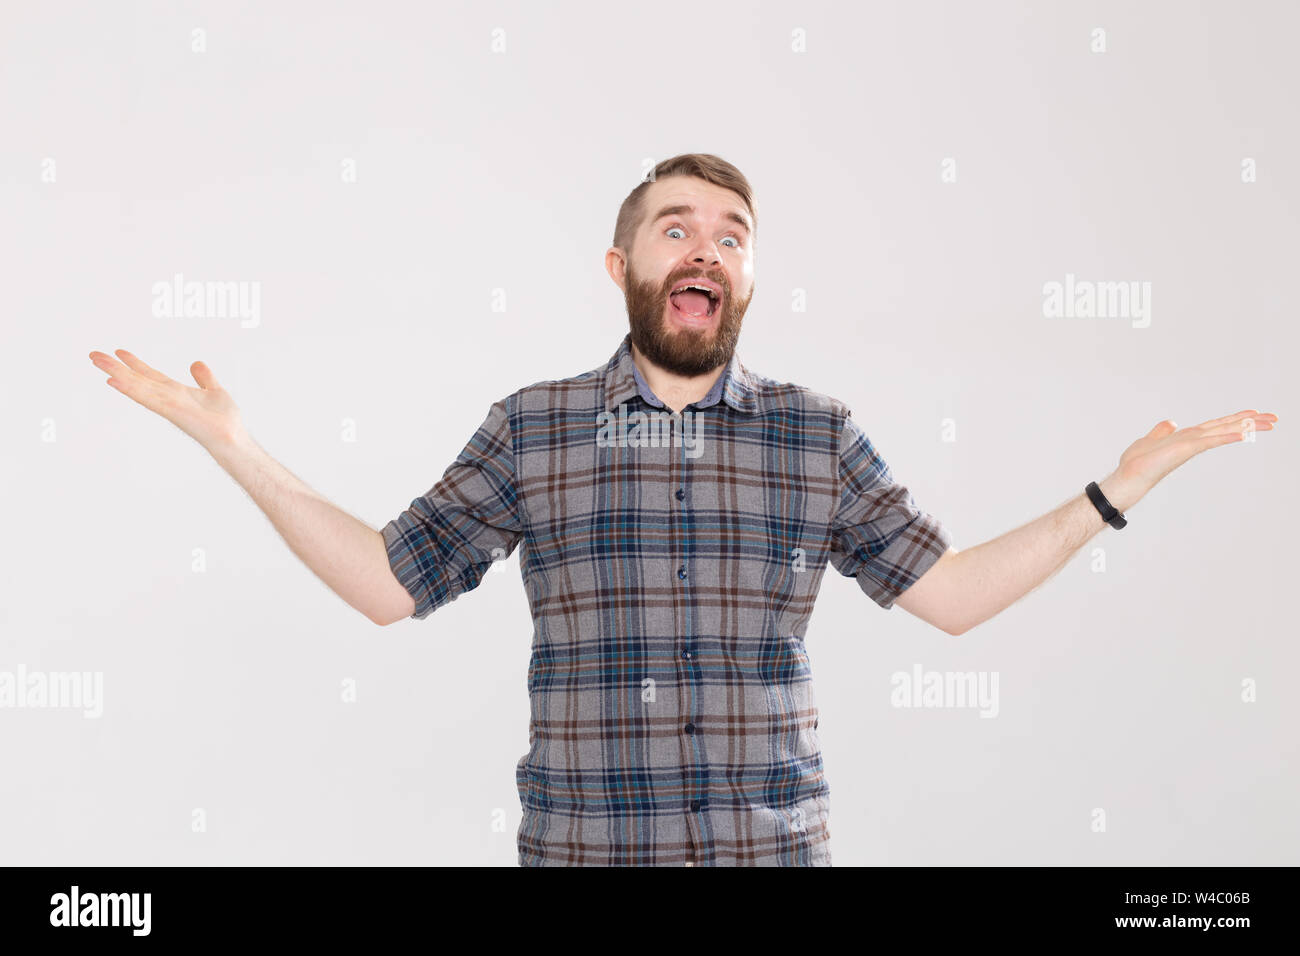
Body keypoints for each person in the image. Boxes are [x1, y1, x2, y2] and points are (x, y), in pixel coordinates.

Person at [89, 153, 1277, 866]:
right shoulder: (531, 426)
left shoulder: (818, 431)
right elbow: (388, 583)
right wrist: (235, 448)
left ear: (749, 275)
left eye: (729, 235)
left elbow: (951, 596)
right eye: (674, 228)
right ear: (622, 268)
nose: (701, 247)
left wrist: (1113, 490)